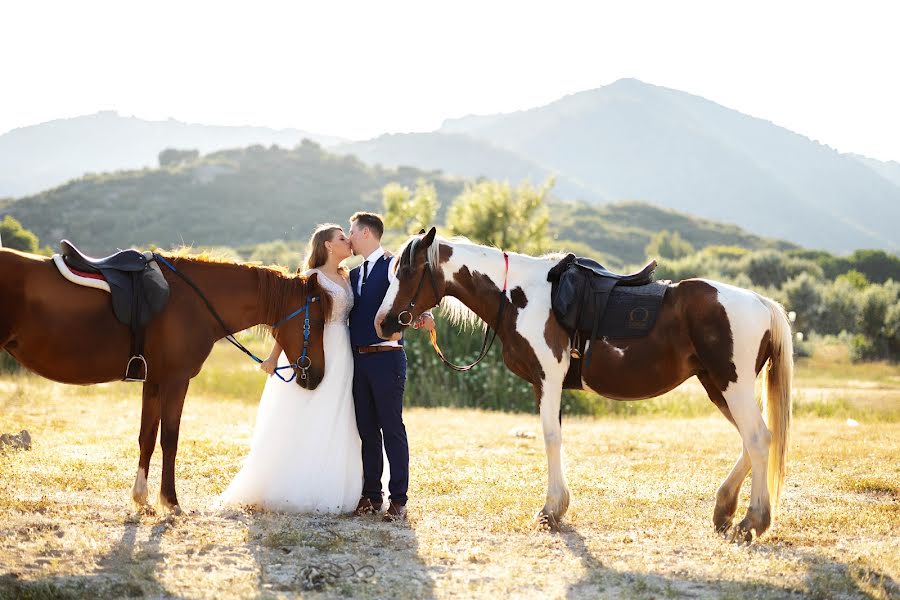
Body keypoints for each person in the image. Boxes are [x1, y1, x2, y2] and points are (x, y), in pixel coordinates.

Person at [219, 224, 362, 513]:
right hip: (315, 350)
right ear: (327, 246)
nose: (349, 241)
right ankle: (297, 485)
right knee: (308, 411)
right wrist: (273, 357)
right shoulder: (310, 279)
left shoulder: (349, 277)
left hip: (345, 350)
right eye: (342, 238)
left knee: (340, 414)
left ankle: (340, 483)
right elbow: (292, 323)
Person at [347, 212, 434, 522]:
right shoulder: (353, 275)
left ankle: (399, 499)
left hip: (387, 358)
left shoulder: (393, 268)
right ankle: (371, 495)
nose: (349, 238)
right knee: (367, 431)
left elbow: (411, 300)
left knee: (391, 428)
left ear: (367, 233)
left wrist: (421, 318)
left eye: (352, 232)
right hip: (358, 361)